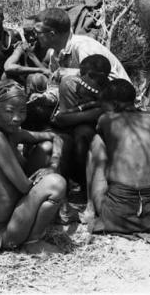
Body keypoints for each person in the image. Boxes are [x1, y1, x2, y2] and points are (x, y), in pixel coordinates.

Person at [0, 79, 67, 253]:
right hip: (4, 232)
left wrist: (53, 163)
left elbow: (54, 137)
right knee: (56, 183)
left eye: (22, 111)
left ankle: (47, 218)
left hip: (14, 217)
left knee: (45, 149)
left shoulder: (10, 132)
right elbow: (24, 187)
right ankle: (32, 242)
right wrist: (49, 175)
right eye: (9, 111)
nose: (17, 118)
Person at [85, 79, 150, 234]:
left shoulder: (106, 120)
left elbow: (103, 139)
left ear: (114, 104)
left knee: (96, 143)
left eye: (104, 106)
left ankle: (90, 207)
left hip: (119, 216)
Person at [51, 54, 111, 203]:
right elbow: (64, 119)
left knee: (85, 134)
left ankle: (89, 188)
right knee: (77, 136)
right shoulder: (70, 84)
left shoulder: (109, 89)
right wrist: (91, 114)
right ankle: (77, 185)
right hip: (75, 129)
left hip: (102, 130)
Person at [34, 8, 130, 82]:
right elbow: (57, 86)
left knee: (68, 82)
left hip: (118, 100)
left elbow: (107, 79)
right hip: (89, 100)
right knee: (36, 80)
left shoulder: (84, 47)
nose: (35, 35)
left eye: (38, 32)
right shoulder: (54, 55)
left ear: (52, 34)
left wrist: (72, 73)